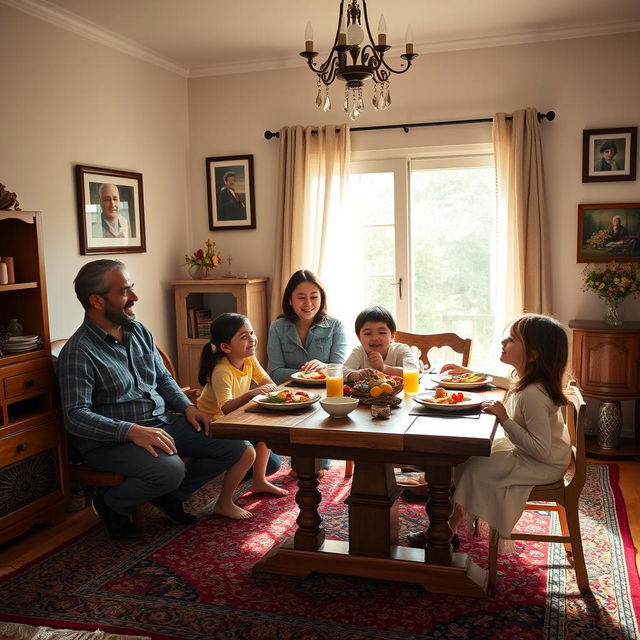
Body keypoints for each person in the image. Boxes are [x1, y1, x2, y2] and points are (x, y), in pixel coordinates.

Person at [57, 260, 254, 541]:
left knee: (235, 446)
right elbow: (75, 415)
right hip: (112, 440)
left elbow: (162, 378)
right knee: (169, 469)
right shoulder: (79, 352)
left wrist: (188, 407)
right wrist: (131, 431)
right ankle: (112, 503)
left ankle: (171, 495)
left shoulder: (138, 331)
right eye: (125, 292)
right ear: (97, 300)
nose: (135, 298)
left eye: (132, 289)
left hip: (161, 422)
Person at [407, 314, 572, 551]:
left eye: (512, 340)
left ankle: (443, 531)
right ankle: (446, 527)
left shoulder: (533, 395)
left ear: (534, 354)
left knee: (473, 467)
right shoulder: (528, 382)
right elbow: (507, 383)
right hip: (537, 455)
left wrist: (504, 419)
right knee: (466, 459)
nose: (503, 343)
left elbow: (540, 450)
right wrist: (471, 372)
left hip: (543, 463)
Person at [197, 313, 288, 518]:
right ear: (226, 347)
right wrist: (252, 394)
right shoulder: (222, 370)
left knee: (268, 431)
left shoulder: (249, 359)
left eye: (252, 333)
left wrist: (260, 391)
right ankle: (223, 502)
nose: (252, 339)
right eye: (244, 336)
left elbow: (268, 382)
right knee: (249, 454)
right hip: (214, 423)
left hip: (235, 417)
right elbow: (226, 408)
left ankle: (259, 481)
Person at [267, 269, 348, 475]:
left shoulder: (336, 326)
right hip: (291, 395)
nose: (308, 303)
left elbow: (338, 369)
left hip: (324, 393)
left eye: (314, 297)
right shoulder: (278, 327)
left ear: (322, 298)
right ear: (290, 300)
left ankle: (318, 461)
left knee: (320, 407)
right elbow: (274, 372)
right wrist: (305, 375)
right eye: (301, 297)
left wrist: (322, 366)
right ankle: (306, 462)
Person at [343, 306, 415, 382]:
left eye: (381, 333)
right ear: (359, 337)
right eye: (368, 333)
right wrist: (358, 374)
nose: (375, 338)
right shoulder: (359, 352)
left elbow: (413, 371)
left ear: (392, 336)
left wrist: (383, 368)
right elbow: (342, 372)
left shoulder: (401, 350)